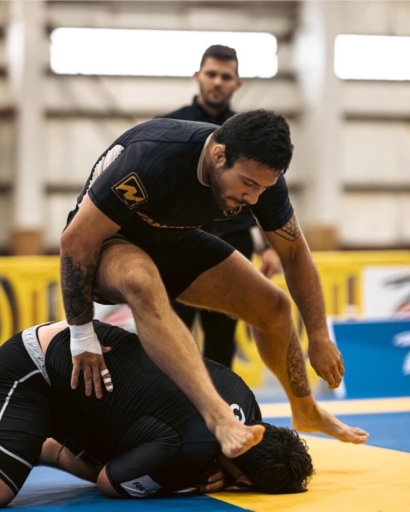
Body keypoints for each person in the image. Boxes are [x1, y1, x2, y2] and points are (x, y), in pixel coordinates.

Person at [60, 109, 370, 459]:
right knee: (140, 279)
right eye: (248, 185)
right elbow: (75, 242)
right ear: (218, 154)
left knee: (273, 307)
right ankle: (219, 417)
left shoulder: (262, 177)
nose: (253, 199)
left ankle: (307, 410)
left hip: (171, 239)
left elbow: (294, 252)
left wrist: (318, 334)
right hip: (109, 243)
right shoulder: (151, 157)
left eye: (262, 189)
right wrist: (81, 335)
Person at [0, 320, 315, 507]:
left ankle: (45, 446)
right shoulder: (190, 449)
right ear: (244, 481)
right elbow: (108, 482)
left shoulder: (246, 401)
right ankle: (49, 451)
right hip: (34, 369)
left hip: (73, 359)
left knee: (141, 441)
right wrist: (184, 481)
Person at [160, 44, 280, 367]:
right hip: (177, 248)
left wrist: (269, 247)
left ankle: (225, 414)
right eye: (211, 74)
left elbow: (264, 191)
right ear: (197, 76)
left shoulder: (250, 135)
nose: (217, 82)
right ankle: (171, 415)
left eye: (226, 76)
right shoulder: (172, 127)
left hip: (234, 249)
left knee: (221, 347)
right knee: (171, 342)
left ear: (237, 83)